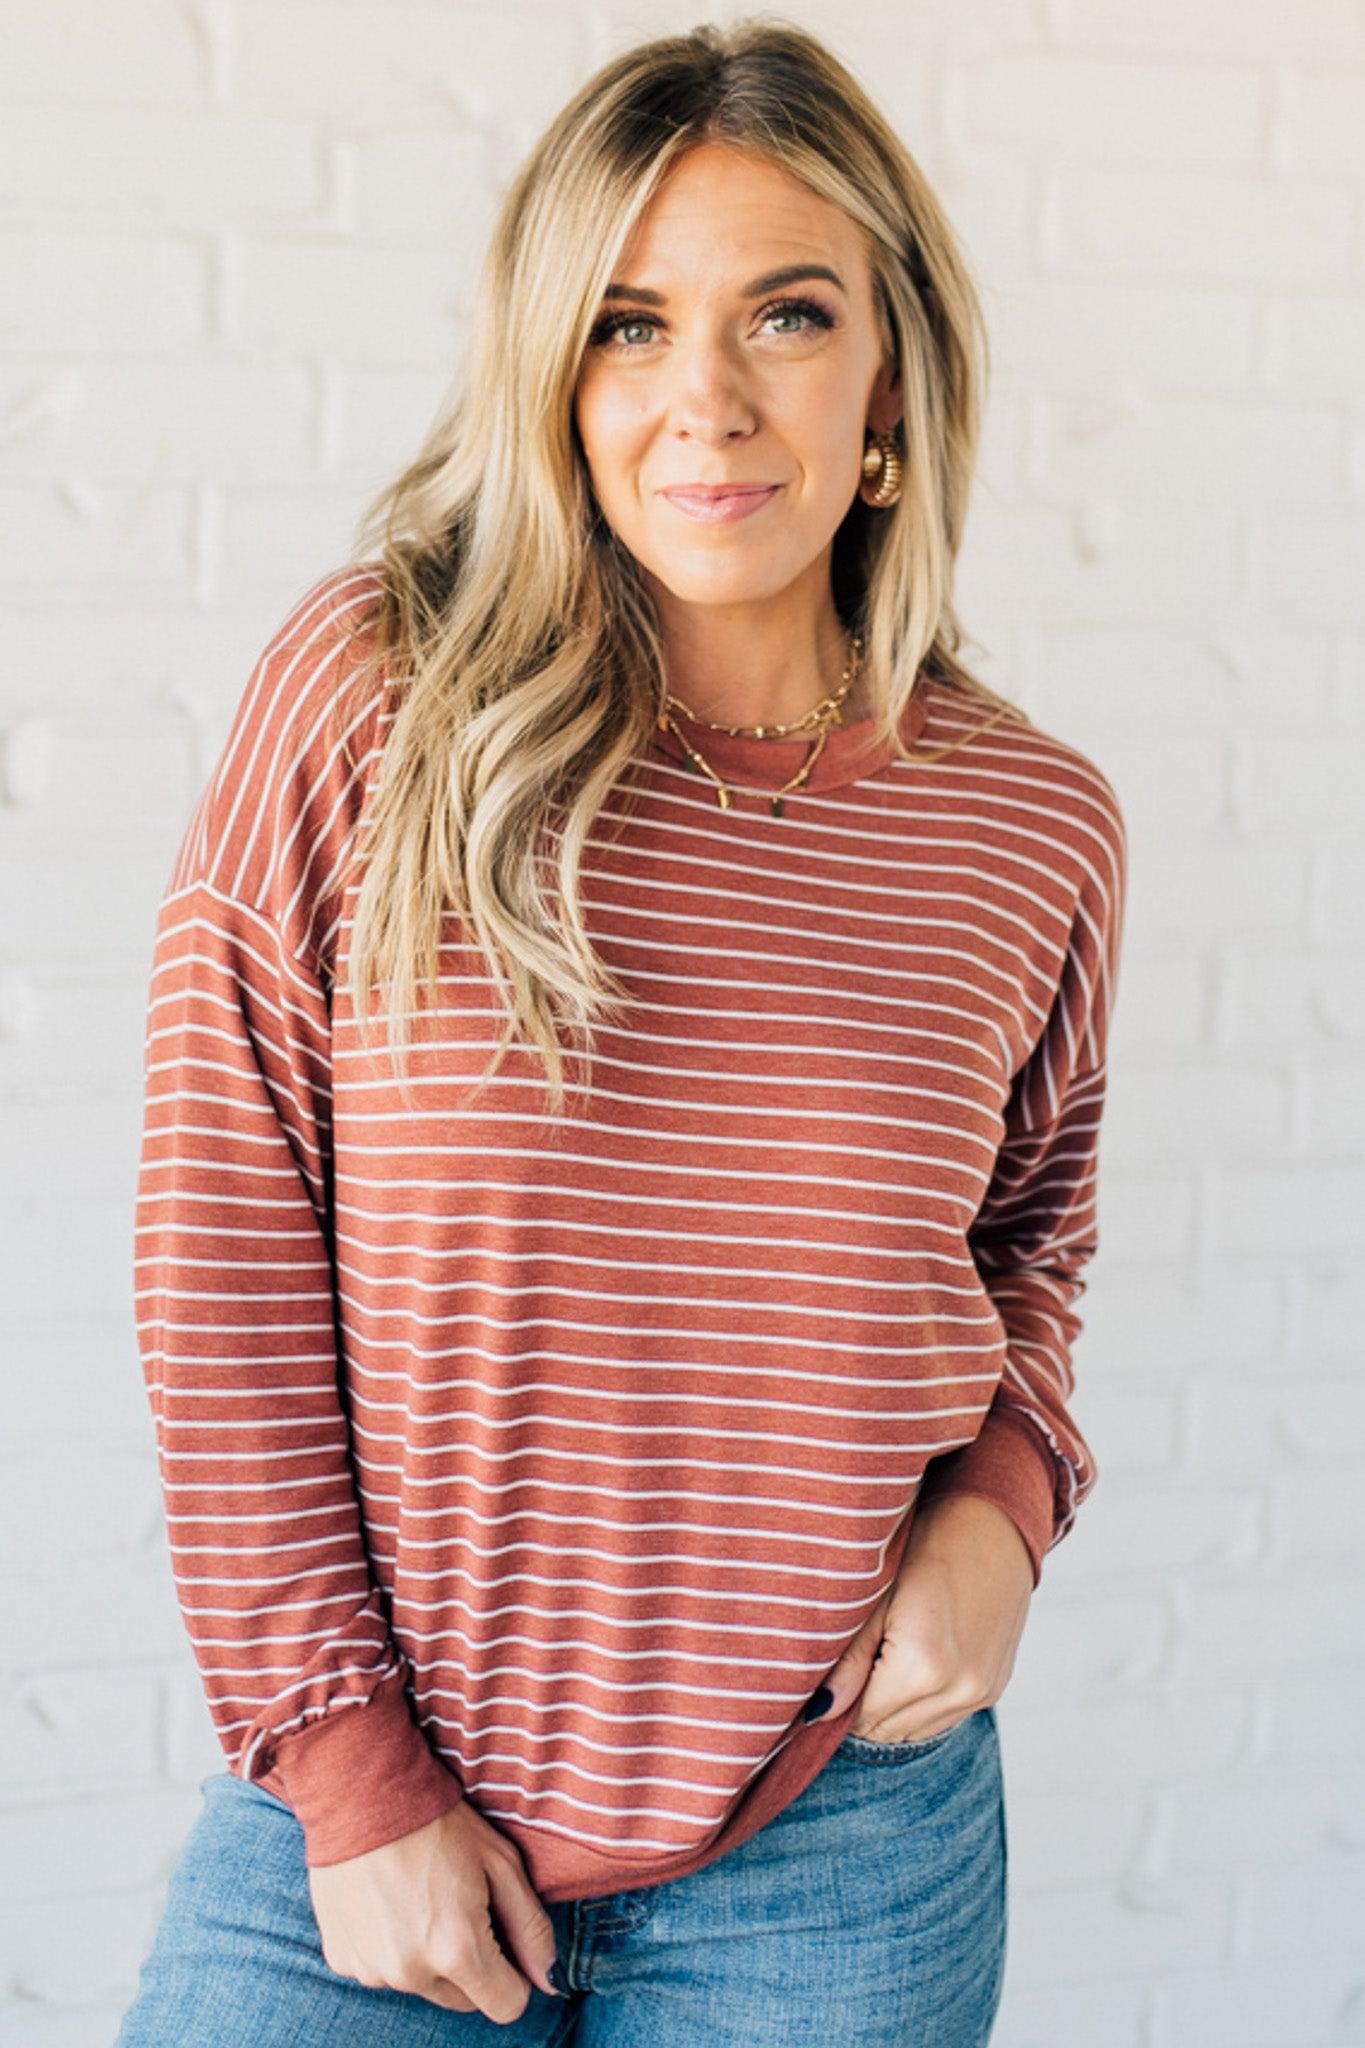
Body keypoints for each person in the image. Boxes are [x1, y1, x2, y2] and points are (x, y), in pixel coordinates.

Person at [115, 16, 1127, 2046]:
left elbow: (1027, 1238)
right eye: (626, 325)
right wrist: (347, 1772)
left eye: (785, 314)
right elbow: (225, 1250)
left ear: (891, 382)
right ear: (552, 380)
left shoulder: (1029, 823)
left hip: (845, 1836)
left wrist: (1002, 1501)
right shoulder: (368, 701)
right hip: (377, 1810)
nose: (706, 401)